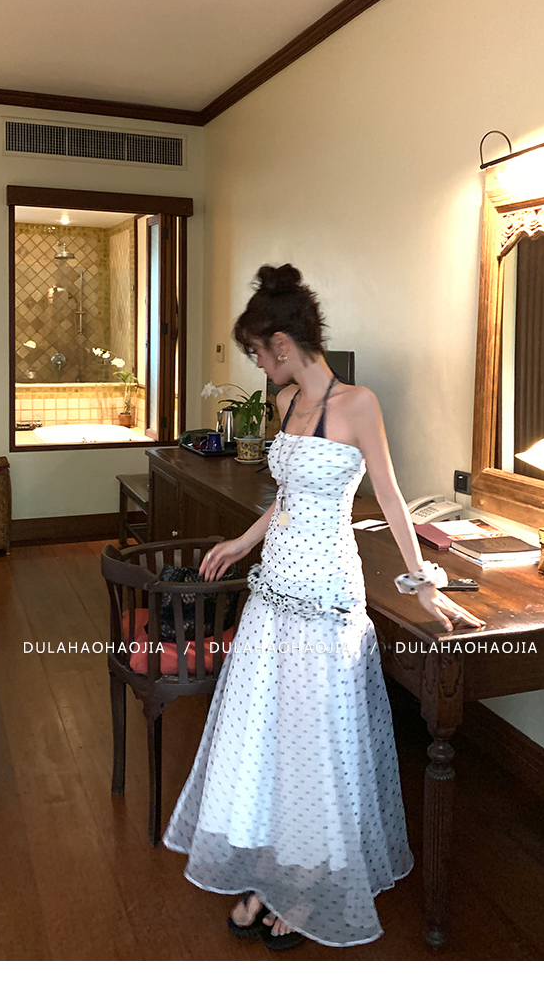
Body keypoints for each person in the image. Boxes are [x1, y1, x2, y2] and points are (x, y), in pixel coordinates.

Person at [163, 264, 483, 950]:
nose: (256, 363)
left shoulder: (359, 405)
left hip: (324, 592)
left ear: (282, 343)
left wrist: (423, 581)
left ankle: (307, 884)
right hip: (274, 587)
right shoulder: (285, 404)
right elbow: (287, 496)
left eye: (257, 351)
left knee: (315, 739)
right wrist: (241, 541)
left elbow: (391, 496)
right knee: (269, 734)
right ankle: (271, 870)